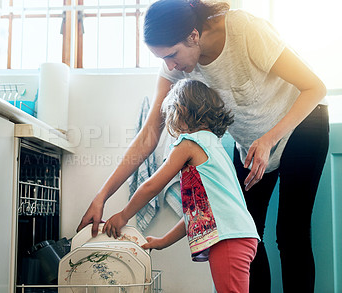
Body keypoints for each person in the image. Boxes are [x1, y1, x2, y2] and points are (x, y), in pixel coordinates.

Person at [77, 0, 329, 292]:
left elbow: (316, 87)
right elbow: (149, 135)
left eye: (172, 55)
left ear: (193, 36)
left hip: (301, 124)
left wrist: (269, 138)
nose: (170, 66)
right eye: (164, 59)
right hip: (250, 144)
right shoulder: (177, 64)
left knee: (290, 231)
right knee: (246, 232)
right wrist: (102, 197)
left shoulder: (245, 29)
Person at [102, 79, 260, 293]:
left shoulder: (188, 143)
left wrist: (123, 215)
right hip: (239, 234)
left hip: (229, 238)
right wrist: (163, 241)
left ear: (181, 111)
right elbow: (198, 214)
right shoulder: (213, 144)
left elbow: (152, 186)